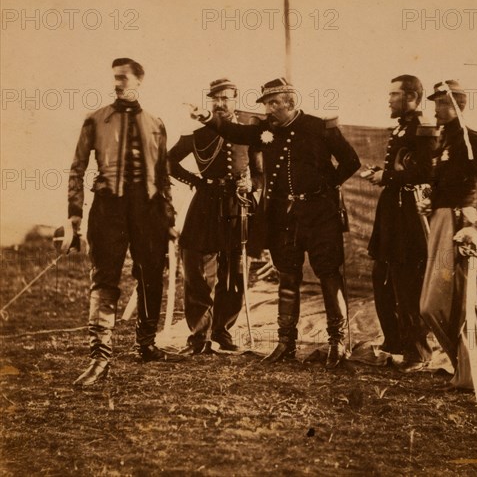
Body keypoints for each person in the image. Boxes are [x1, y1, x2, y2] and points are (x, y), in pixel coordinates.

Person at [189, 78, 361, 369]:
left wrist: (324, 187)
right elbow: (235, 131)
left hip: (321, 216)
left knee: (329, 276)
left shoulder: (321, 127)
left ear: (289, 102)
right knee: (287, 276)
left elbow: (350, 161)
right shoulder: (264, 130)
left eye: (272, 103)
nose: (268, 110)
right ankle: (285, 343)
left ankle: (337, 343)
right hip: (284, 218)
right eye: (266, 104)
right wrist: (207, 117)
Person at [68, 58, 176, 386]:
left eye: (123, 78)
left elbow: (163, 175)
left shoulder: (156, 123)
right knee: (104, 279)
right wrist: (74, 214)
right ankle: (100, 357)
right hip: (107, 208)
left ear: (138, 82)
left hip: (148, 210)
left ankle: (147, 344)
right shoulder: (95, 120)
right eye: (114, 78)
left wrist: (169, 218)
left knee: (151, 275)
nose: (117, 83)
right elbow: (77, 168)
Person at [168, 78, 263, 354]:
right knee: (197, 270)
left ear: (235, 99)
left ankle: (222, 329)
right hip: (205, 205)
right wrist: (195, 182)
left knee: (234, 271)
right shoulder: (197, 133)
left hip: (237, 205)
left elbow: (260, 173)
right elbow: (168, 161)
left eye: (226, 98)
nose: (220, 104)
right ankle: (200, 335)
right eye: (215, 99)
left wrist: (253, 186)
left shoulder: (249, 132)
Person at [419, 80, 477, 390]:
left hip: (460, 228)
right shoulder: (444, 142)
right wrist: (431, 199)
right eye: (435, 103)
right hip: (440, 224)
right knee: (432, 306)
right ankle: (461, 368)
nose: (436, 109)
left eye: (440, 103)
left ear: (457, 106)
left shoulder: (471, 140)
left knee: (461, 303)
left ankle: (469, 374)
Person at [363, 75, 436, 372]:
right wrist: (382, 173)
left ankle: (418, 352)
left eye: (394, 94)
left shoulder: (424, 129)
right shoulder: (403, 126)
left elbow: (427, 173)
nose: (389, 99)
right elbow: (404, 166)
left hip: (409, 216)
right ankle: (394, 342)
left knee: (407, 283)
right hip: (393, 211)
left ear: (412, 97)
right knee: (383, 276)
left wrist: (387, 177)